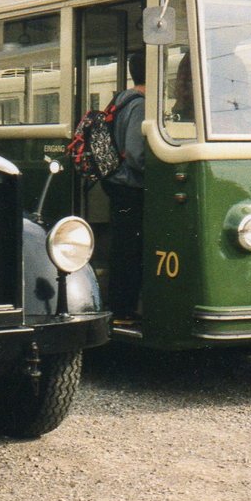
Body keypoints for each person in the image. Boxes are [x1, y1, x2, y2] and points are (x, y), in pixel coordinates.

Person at [101, 51, 146, 324]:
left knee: (123, 246)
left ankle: (120, 306)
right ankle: (123, 309)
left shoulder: (121, 99)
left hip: (116, 183)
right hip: (131, 185)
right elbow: (136, 153)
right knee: (131, 249)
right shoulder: (140, 105)